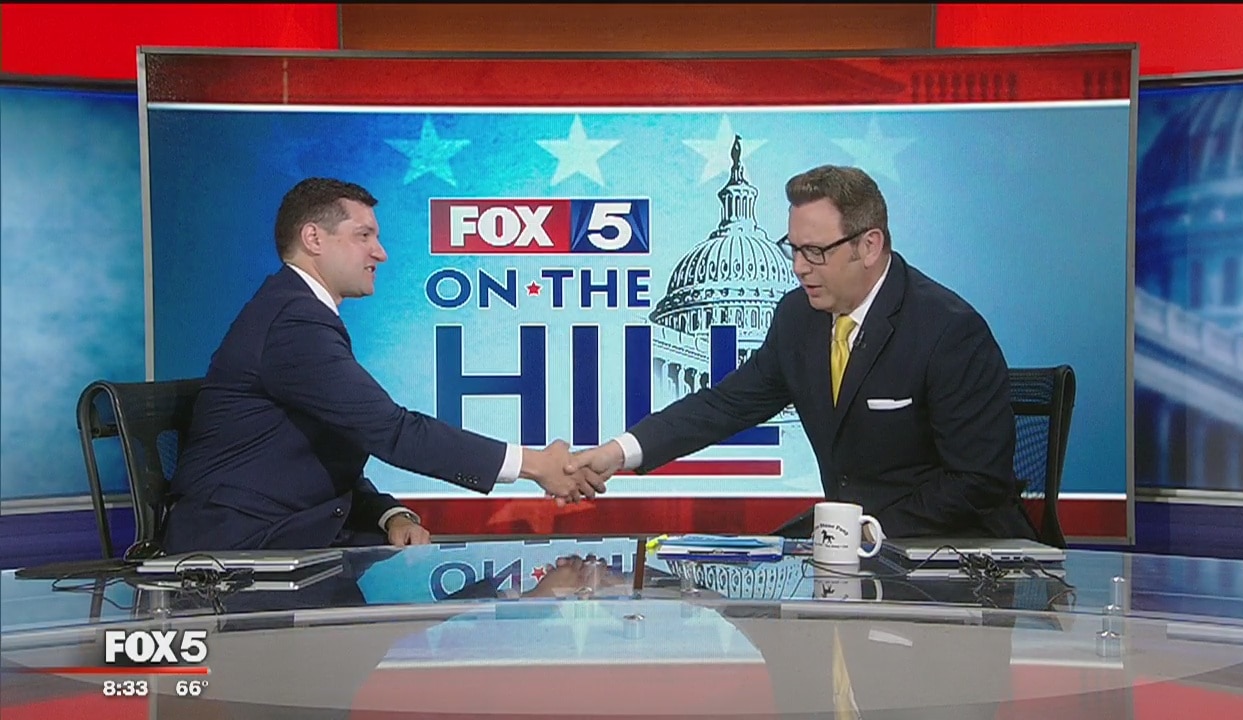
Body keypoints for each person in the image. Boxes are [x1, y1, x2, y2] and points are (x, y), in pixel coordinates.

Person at [568, 165, 1037, 540]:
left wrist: (867, 531)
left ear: (869, 245)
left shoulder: (948, 331)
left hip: (954, 556)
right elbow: (723, 405)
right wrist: (618, 452)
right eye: (793, 249)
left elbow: (978, 481)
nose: (797, 268)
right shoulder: (799, 317)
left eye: (814, 252)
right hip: (850, 546)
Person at [162, 178, 603, 554]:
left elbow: (323, 454)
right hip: (242, 551)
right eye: (364, 236)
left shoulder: (295, 311)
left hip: (285, 537)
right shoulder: (294, 322)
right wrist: (534, 464)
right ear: (313, 238)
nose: (381, 253)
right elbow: (392, 431)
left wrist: (389, 515)